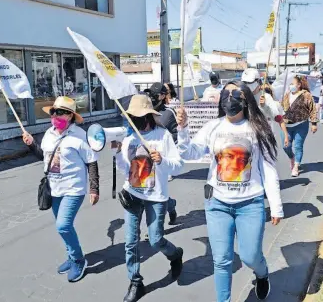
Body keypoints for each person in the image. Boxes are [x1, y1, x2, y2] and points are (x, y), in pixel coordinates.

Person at [176, 81, 283, 302]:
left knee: (250, 256)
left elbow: (268, 169)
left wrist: (276, 205)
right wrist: (183, 129)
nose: (229, 97)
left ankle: (261, 274)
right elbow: (189, 153)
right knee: (222, 260)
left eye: (235, 93)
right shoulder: (212, 127)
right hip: (217, 204)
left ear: (245, 99)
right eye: (226, 92)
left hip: (250, 204)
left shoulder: (258, 128)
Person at [113, 94, 184, 302]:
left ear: (149, 116)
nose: (135, 120)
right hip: (133, 195)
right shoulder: (129, 139)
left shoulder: (163, 136)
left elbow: (178, 166)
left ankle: (175, 254)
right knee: (130, 241)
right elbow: (125, 169)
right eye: (132, 117)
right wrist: (118, 154)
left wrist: (162, 161)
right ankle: (135, 282)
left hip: (156, 196)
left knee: (155, 240)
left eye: (139, 116)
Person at [22, 96, 99, 282]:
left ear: (71, 116)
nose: (56, 115)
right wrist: (32, 144)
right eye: (54, 112)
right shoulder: (49, 133)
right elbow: (44, 157)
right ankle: (71, 256)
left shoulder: (79, 136)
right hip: (54, 188)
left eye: (62, 112)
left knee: (63, 225)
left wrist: (94, 188)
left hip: (74, 188)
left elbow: (91, 162)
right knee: (63, 227)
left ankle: (79, 260)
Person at [147, 82, 179, 224]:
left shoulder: (169, 113)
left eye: (155, 95)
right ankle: (167, 207)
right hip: (145, 156)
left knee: (158, 188)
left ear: (163, 96)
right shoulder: (145, 111)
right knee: (149, 189)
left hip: (162, 157)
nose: (152, 98)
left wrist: (166, 148)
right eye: (151, 94)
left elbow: (176, 134)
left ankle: (166, 211)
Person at [242, 68, 289, 148]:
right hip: (248, 139)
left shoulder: (266, 97)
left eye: (250, 82)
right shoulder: (243, 98)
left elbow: (277, 117)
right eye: (245, 82)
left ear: (257, 81)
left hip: (265, 138)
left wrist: (286, 135)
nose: (247, 84)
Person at [281, 75, 318, 177]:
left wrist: (314, 123)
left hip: (301, 125)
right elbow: (280, 107)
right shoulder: (286, 94)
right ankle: (291, 157)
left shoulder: (306, 95)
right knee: (286, 146)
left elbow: (312, 109)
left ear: (299, 85)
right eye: (290, 83)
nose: (291, 85)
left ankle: (296, 167)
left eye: (293, 83)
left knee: (298, 146)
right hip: (286, 125)